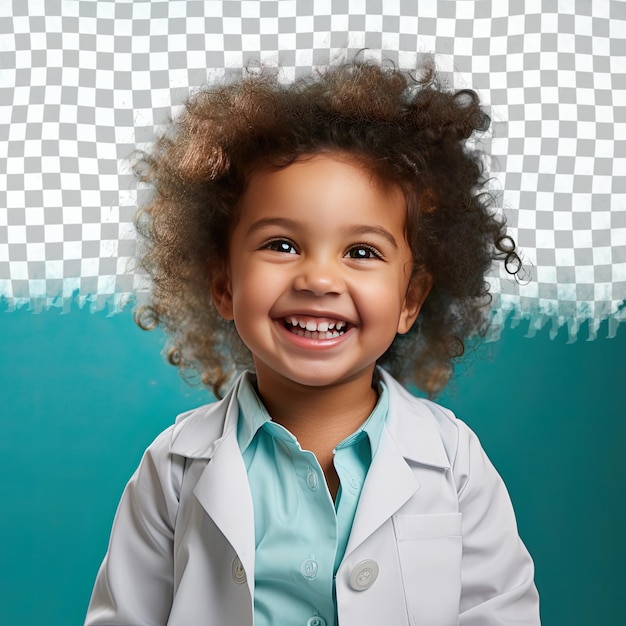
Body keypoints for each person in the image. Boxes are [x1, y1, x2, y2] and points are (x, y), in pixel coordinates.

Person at [85, 60, 540, 625]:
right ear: (225, 285)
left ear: (409, 300)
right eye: (281, 244)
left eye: (362, 252)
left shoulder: (455, 464)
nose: (319, 280)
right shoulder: (174, 469)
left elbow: (501, 614)